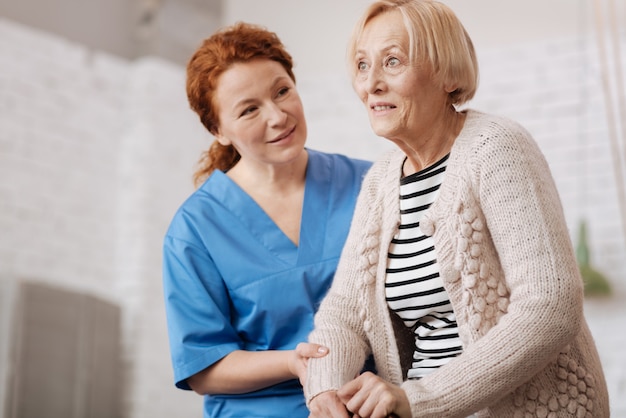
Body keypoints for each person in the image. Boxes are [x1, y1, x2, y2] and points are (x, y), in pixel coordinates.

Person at [303, 1, 610, 417]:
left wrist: (419, 397)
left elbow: (550, 305)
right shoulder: (379, 181)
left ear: (447, 73)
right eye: (361, 65)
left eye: (392, 62)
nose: (371, 83)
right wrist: (325, 389)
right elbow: (345, 311)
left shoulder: (497, 147)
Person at [161, 22, 371, 418]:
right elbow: (203, 367)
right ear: (217, 130)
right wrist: (294, 362)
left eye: (282, 91)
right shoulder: (195, 230)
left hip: (368, 404)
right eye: (249, 109)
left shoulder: (371, 184)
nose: (278, 116)